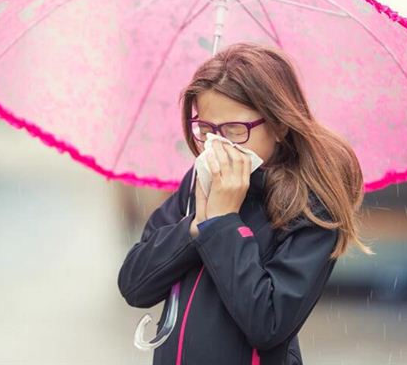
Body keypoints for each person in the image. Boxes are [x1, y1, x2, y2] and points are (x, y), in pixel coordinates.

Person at [117, 42, 374, 365]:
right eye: (206, 129)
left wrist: (223, 222)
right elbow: (135, 285)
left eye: (235, 130)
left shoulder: (311, 206)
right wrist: (194, 228)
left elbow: (267, 323)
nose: (219, 143)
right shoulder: (200, 179)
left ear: (279, 124)